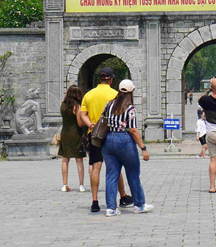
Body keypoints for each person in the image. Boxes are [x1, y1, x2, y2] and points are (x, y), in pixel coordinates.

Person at [78, 67, 133, 213]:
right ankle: (122, 196)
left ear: (99, 79)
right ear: (111, 79)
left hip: (94, 134)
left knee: (96, 167)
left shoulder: (89, 95)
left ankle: (95, 201)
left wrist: (90, 123)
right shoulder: (115, 95)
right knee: (115, 166)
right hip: (111, 134)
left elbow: (82, 114)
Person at [100, 80, 153, 216]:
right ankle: (139, 204)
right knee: (133, 173)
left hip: (109, 140)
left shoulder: (109, 105)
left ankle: (111, 208)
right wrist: (143, 148)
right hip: (124, 140)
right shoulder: (130, 108)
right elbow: (133, 130)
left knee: (111, 175)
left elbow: (103, 121)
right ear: (131, 92)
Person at [59, 85, 86, 193]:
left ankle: (65, 184)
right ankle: (81, 185)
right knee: (79, 160)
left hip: (65, 132)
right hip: (75, 133)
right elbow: (79, 123)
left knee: (65, 159)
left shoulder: (63, 105)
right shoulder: (77, 106)